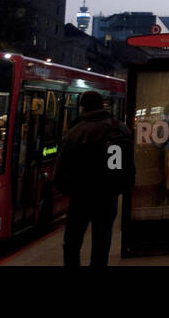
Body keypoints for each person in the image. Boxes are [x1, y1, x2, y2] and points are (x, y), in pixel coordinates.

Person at [53, 91, 134, 267]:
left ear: (82, 107)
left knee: (72, 242)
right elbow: (124, 164)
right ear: (103, 105)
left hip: (80, 195)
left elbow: (62, 166)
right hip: (108, 195)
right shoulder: (118, 128)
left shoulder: (74, 132)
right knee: (102, 240)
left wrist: (64, 188)